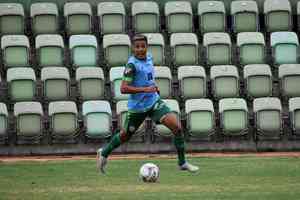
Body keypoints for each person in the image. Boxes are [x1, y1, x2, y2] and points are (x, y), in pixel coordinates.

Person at [97, 34, 199, 174]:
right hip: (138, 108)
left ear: (147, 47)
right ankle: (104, 152)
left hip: (153, 101)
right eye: (137, 47)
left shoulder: (149, 58)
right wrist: (145, 89)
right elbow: (123, 88)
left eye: (143, 46)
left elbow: (147, 78)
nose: (140, 49)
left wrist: (153, 87)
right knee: (125, 135)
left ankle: (182, 163)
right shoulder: (131, 65)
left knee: (177, 127)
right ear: (133, 48)